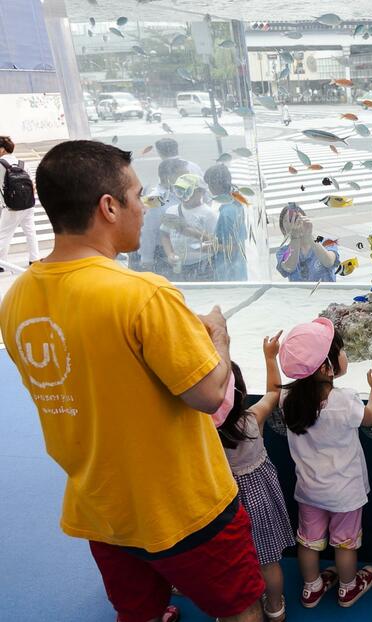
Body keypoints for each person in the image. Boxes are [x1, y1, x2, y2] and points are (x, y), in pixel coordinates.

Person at [0, 140, 264, 622]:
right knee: (241, 610)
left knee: (139, 614)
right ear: (108, 207)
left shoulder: (16, 298)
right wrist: (218, 339)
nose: (144, 209)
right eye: (138, 196)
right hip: (183, 509)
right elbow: (207, 394)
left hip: (100, 508)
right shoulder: (142, 294)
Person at [278, 318, 372, 608]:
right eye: (339, 350)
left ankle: (312, 588)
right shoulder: (344, 400)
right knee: (345, 543)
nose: (344, 354)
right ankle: (348, 587)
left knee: (308, 541)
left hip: (309, 490)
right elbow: (370, 417)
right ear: (327, 367)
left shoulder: (287, 398)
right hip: (345, 492)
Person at [218, 337, 295, 622]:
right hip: (259, 501)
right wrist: (269, 357)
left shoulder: (201, 435)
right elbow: (273, 394)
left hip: (225, 505)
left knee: (230, 564)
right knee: (268, 560)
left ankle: (235, 610)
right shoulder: (251, 420)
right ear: (240, 393)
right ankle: (275, 608)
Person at [160, 173, 218, 281]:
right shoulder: (171, 211)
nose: (184, 195)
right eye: (180, 191)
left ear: (201, 192)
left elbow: (216, 243)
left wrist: (194, 234)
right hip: (179, 265)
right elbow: (165, 235)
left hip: (202, 265)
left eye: (189, 191)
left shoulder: (209, 214)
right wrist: (170, 254)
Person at [138, 157, 187, 275]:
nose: (186, 179)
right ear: (167, 177)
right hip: (161, 255)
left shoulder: (181, 193)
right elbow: (147, 231)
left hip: (182, 250)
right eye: (182, 175)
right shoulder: (154, 199)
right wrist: (147, 259)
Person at [0, 135, 40, 272]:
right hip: (27, 205)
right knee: (30, 232)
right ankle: (34, 259)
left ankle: (2, 263)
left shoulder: (1, 164)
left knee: (3, 235)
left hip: (10, 207)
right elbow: (32, 186)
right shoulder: (22, 163)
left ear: (2, 150)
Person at [275, 202, 339, 282]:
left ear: (305, 219)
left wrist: (309, 236)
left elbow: (329, 262)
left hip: (327, 293)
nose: (293, 223)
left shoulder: (326, 242)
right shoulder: (283, 251)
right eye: (287, 220)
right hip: (299, 294)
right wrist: (295, 238)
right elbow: (289, 267)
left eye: (296, 218)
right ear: (283, 228)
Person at [205, 164, 247, 281]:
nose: (209, 188)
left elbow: (233, 248)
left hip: (229, 270)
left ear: (217, 184)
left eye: (209, 184)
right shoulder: (236, 203)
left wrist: (211, 247)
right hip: (238, 268)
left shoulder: (227, 212)